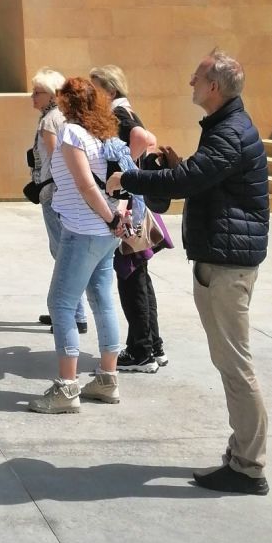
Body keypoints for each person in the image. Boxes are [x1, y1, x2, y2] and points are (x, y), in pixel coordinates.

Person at [113, 51, 269, 494]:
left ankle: (249, 467)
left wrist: (128, 180)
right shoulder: (227, 129)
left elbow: (187, 182)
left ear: (215, 87)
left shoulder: (230, 133)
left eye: (197, 77)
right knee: (231, 362)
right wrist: (181, 166)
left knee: (236, 365)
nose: (190, 82)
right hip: (222, 259)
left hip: (226, 265)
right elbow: (204, 178)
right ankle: (243, 455)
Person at [28, 76, 126, 414]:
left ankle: (67, 388)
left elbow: (85, 185)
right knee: (102, 299)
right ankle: (107, 379)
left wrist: (110, 219)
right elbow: (122, 180)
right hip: (103, 234)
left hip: (83, 229)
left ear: (68, 103)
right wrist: (115, 218)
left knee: (61, 304)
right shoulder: (105, 135)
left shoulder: (71, 133)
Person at [90, 65, 168, 372]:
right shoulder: (124, 111)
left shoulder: (119, 116)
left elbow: (143, 137)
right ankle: (153, 345)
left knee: (131, 278)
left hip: (127, 209)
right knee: (139, 277)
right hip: (133, 206)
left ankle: (141, 351)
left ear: (109, 90)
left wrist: (125, 182)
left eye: (95, 88)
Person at [27, 68, 87, 334]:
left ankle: (73, 314)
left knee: (62, 253)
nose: (32, 97)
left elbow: (57, 161)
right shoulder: (59, 117)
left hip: (54, 195)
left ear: (51, 94)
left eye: (37, 92)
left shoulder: (50, 121)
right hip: (58, 194)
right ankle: (71, 311)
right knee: (65, 252)